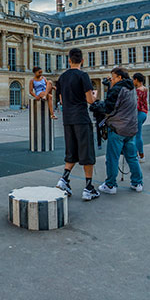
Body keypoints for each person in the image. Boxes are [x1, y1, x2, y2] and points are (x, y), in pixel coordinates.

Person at [55, 48, 99, 201]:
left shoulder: (62, 77)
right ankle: (88, 188)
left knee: (71, 151)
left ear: (69, 60)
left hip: (67, 119)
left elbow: (61, 100)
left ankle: (64, 179)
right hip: (81, 118)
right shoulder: (83, 76)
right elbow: (89, 100)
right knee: (86, 153)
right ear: (82, 60)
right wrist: (95, 95)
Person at [97, 67, 144, 195]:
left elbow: (109, 107)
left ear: (119, 77)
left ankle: (110, 185)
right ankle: (137, 182)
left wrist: (95, 104)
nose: (111, 79)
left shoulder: (118, 89)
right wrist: (110, 86)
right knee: (132, 157)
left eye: (113, 77)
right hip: (131, 128)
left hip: (118, 128)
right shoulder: (131, 88)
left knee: (112, 158)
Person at [133, 73, 148, 161]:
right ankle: (140, 154)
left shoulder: (138, 91)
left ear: (136, 80)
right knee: (138, 134)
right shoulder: (145, 89)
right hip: (144, 113)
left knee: (136, 135)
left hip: (139, 113)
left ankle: (139, 155)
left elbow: (137, 105)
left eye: (133, 79)